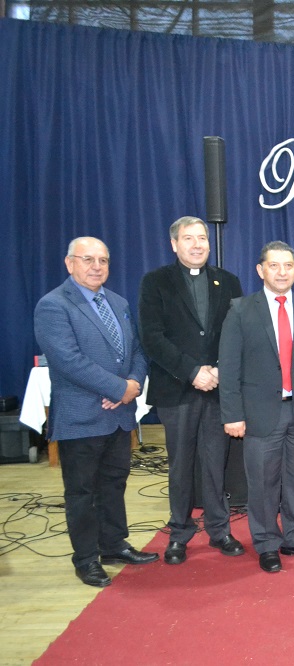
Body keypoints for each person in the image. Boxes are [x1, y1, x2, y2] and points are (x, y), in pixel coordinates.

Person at [34, 237, 158, 587]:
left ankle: (114, 545)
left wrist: (132, 384)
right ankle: (86, 559)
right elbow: (68, 361)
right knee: (82, 492)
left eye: (102, 260)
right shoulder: (53, 305)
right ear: (69, 263)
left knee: (113, 484)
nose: (96, 266)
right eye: (87, 259)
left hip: (118, 416)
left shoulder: (116, 302)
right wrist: (119, 389)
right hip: (81, 417)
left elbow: (136, 350)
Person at [219, 241, 294, 573]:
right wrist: (232, 414)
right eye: (274, 265)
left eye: (288, 265)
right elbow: (229, 368)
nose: (282, 272)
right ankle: (267, 543)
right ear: (261, 270)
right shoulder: (241, 310)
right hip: (258, 415)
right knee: (262, 483)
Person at [138, 217, 246, 566]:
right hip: (178, 390)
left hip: (217, 389)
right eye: (189, 238)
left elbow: (237, 333)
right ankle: (180, 534)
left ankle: (219, 530)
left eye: (202, 238)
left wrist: (217, 369)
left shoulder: (228, 281)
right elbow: (152, 337)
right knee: (181, 466)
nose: (197, 244)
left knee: (216, 465)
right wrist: (192, 371)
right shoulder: (155, 282)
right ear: (174, 244)